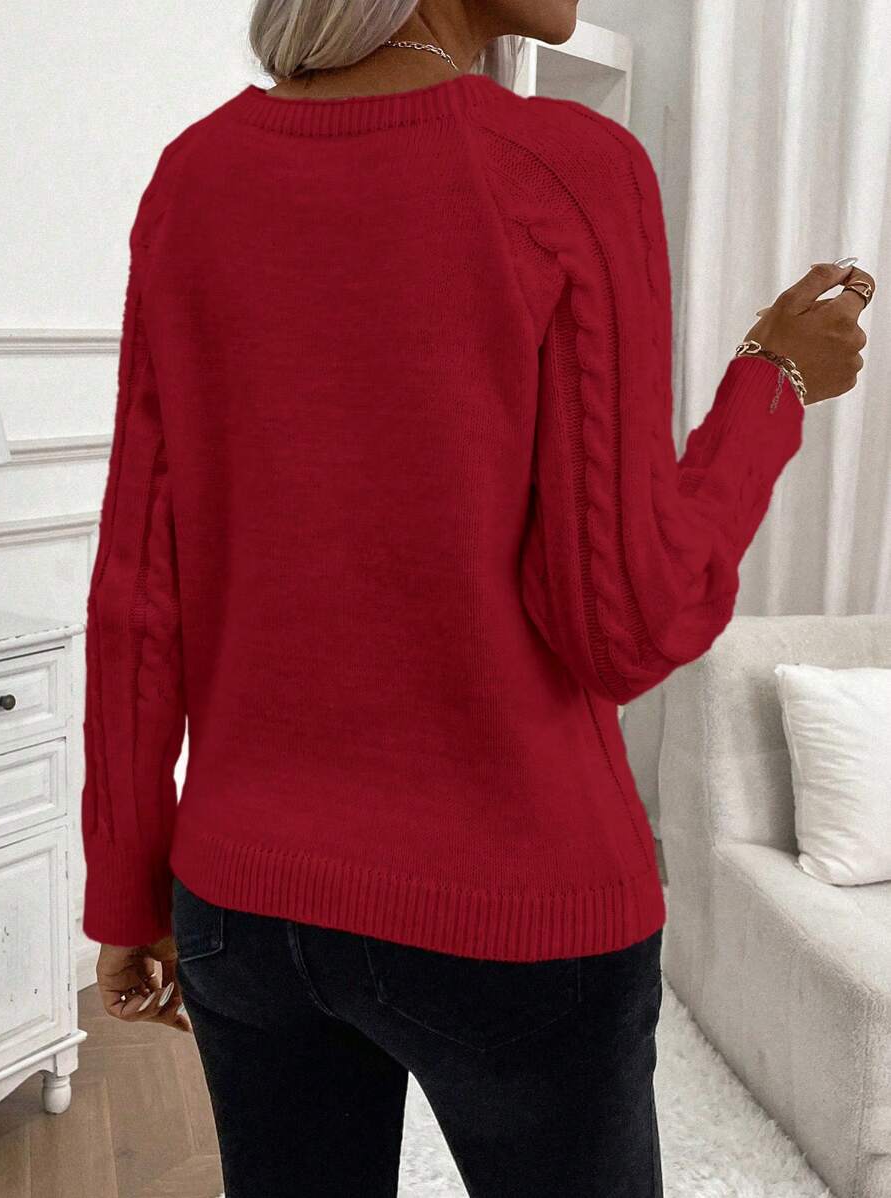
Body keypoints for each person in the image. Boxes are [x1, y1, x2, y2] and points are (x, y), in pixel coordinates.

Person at [81, 2, 873, 1195]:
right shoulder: (566, 167)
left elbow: (142, 576)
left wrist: (127, 884)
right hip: (518, 906)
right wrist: (772, 388)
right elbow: (629, 623)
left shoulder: (194, 179)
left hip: (244, 900)